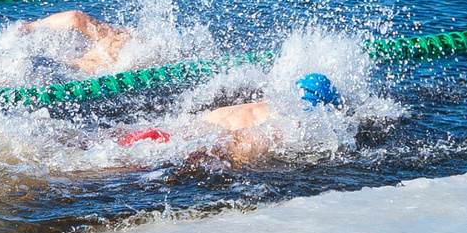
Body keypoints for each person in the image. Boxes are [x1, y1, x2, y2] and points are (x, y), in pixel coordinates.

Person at [115, 73, 340, 159]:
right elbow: (242, 149)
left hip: (166, 133)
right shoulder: (291, 119)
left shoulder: (266, 104)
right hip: (179, 147)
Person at [10, 8, 137, 75]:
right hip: (69, 73)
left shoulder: (118, 39)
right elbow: (76, 18)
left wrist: (32, 26)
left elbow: (75, 17)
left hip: (65, 70)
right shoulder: (121, 41)